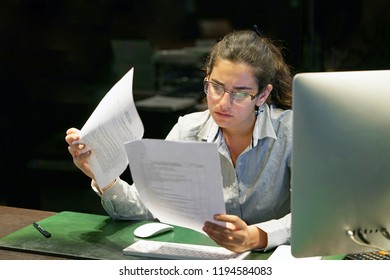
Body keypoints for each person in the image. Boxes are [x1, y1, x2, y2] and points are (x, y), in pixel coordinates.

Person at [65, 28, 293, 253]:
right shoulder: (188, 129)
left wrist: (257, 237)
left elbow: (318, 214)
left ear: (262, 95)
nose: (224, 102)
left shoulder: (292, 133)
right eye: (216, 87)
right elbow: (146, 206)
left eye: (240, 93)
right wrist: (101, 174)